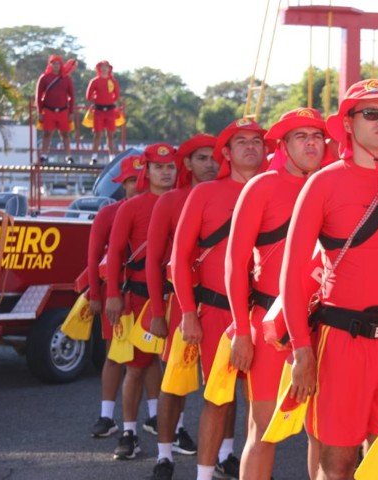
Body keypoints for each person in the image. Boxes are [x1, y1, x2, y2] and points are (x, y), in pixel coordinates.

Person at [280, 79, 378, 480]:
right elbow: (292, 275)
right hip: (342, 344)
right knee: (337, 465)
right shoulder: (323, 183)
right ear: (347, 123)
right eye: (370, 113)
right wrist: (301, 350)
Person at [226, 108, 327, 480]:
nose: (311, 144)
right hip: (272, 327)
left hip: (325, 326)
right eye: (301, 137)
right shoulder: (262, 187)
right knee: (264, 432)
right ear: (283, 144)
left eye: (317, 136)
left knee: (324, 434)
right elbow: (235, 263)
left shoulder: (333, 183)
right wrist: (241, 330)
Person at [171, 119, 267, 480]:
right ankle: (204, 474)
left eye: (257, 141)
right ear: (225, 152)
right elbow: (180, 258)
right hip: (216, 311)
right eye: (241, 141)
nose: (250, 147)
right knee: (217, 399)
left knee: (260, 403)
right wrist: (187, 312)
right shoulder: (205, 193)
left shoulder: (278, 189)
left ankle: (254, 471)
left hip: (264, 314)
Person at [147, 134, 219, 479]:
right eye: (202, 158)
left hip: (223, 305)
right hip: (180, 303)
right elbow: (153, 260)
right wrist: (157, 313)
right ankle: (164, 456)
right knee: (173, 384)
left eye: (215, 157)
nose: (211, 164)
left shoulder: (234, 194)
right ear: (187, 163)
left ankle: (225, 454)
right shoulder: (170, 201)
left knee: (221, 388)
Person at [105, 143, 178, 460]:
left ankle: (175, 431)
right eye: (158, 167)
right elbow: (114, 254)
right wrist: (112, 295)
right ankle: (128, 432)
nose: (165, 172)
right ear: (146, 171)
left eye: (170, 166)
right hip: (139, 298)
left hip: (177, 298)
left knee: (175, 369)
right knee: (135, 368)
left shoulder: (186, 201)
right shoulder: (131, 207)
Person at [87, 154, 143, 438]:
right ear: (122, 184)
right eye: (131, 180)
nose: (137, 185)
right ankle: (106, 416)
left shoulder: (159, 208)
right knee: (114, 355)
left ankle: (155, 416)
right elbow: (94, 257)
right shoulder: (108, 214)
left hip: (148, 295)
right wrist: (96, 295)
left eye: (141, 179)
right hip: (117, 295)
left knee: (149, 359)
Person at [35, 54, 75, 164]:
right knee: (47, 133)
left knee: (65, 134)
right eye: (54, 63)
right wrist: (39, 111)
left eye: (58, 63)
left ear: (61, 65)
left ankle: (68, 156)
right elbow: (38, 96)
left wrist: (71, 111)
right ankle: (44, 155)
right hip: (48, 110)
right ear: (50, 65)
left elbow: (72, 96)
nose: (56, 66)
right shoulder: (44, 78)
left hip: (63, 111)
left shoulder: (66, 79)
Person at [86, 60, 120, 164]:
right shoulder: (95, 81)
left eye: (106, 67)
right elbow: (88, 96)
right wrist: (97, 100)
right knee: (97, 134)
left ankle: (112, 158)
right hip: (98, 110)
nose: (104, 69)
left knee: (110, 135)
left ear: (109, 69)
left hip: (110, 111)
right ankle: (94, 157)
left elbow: (117, 95)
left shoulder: (113, 81)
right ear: (99, 68)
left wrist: (109, 100)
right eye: (102, 67)